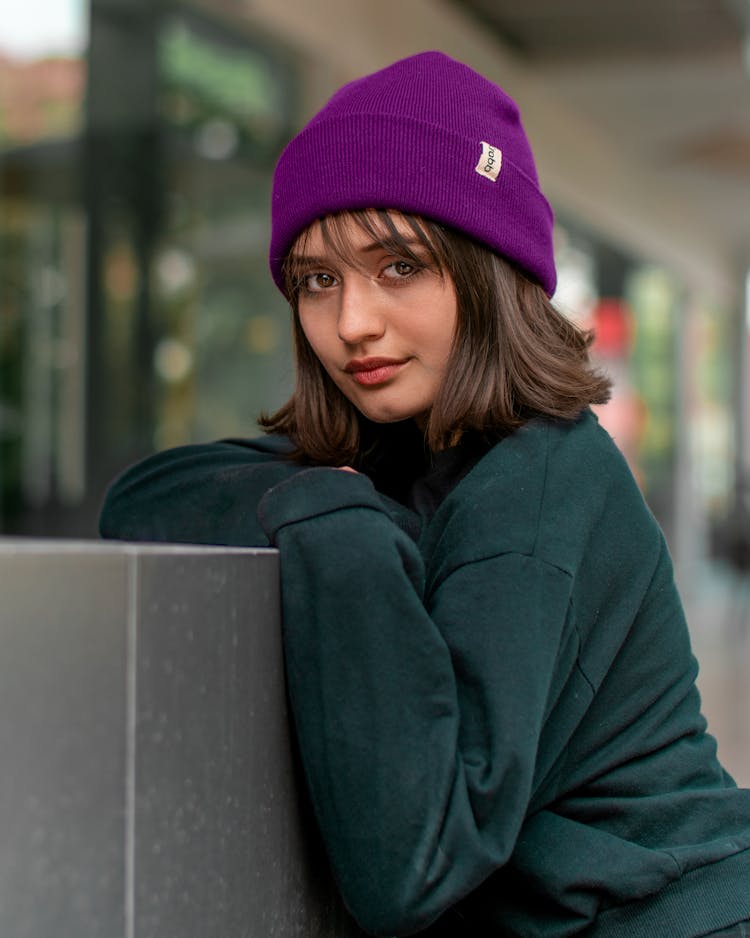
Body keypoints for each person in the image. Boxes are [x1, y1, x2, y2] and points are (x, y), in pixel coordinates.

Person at [100, 52, 750, 937]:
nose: (351, 324)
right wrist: (333, 505)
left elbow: (415, 866)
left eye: (398, 267)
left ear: (484, 274)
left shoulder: (535, 482)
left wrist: (341, 525)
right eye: (317, 280)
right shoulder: (400, 449)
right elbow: (145, 499)